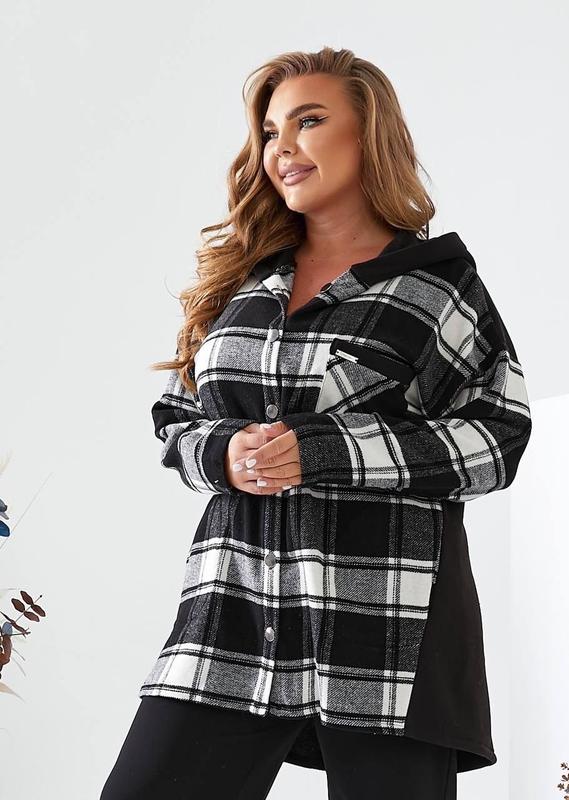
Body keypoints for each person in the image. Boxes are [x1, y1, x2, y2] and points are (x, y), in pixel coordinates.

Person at [99, 46, 532, 799]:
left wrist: (324, 452)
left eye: (308, 121)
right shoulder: (242, 280)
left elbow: (498, 440)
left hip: (387, 627)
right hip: (232, 607)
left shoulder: (437, 286)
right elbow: (176, 415)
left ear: (368, 134)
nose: (282, 148)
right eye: (270, 131)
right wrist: (225, 452)